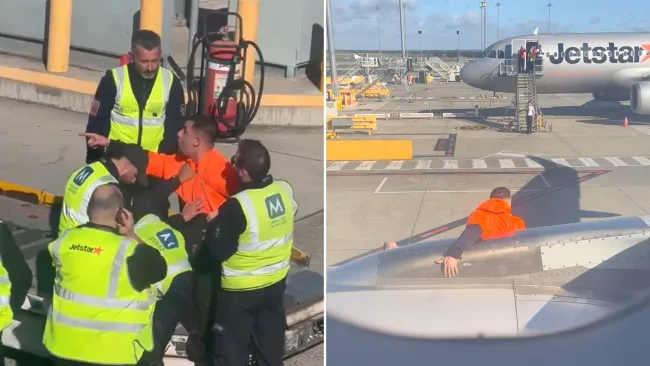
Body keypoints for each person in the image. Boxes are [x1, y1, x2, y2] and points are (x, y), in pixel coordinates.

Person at [193, 139, 298, 366]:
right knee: (269, 352)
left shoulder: (237, 206)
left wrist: (215, 226)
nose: (230, 164)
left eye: (234, 160)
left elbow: (218, 251)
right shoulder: (284, 190)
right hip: (275, 287)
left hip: (241, 293)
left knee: (231, 354)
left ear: (242, 172)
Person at [42, 184, 168, 366]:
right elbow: (160, 268)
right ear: (120, 213)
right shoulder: (130, 252)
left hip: (62, 349)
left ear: (88, 209)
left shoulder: (64, 241)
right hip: (111, 356)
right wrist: (131, 233)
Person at [81, 114, 239, 222]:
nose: (178, 134)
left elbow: (245, 199)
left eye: (184, 131)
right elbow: (144, 157)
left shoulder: (222, 169)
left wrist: (218, 216)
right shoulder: (178, 162)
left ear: (196, 142)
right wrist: (109, 143)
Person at [84, 29, 185, 164]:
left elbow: (176, 128)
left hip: (154, 163)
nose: (150, 68)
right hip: (117, 160)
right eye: (144, 61)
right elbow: (96, 124)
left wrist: (164, 161)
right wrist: (94, 161)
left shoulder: (171, 82)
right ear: (131, 57)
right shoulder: (113, 80)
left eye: (155, 61)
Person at [58, 141, 153, 236]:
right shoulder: (109, 187)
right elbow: (124, 221)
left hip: (64, 236)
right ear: (126, 166)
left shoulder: (89, 169)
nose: (133, 181)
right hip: (84, 242)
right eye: (135, 175)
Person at [435, 187, 526, 278]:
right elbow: (522, 247)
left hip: (484, 268)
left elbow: (472, 232)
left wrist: (453, 254)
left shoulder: (478, 215)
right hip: (508, 270)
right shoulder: (517, 222)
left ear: (491, 199)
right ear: (509, 200)